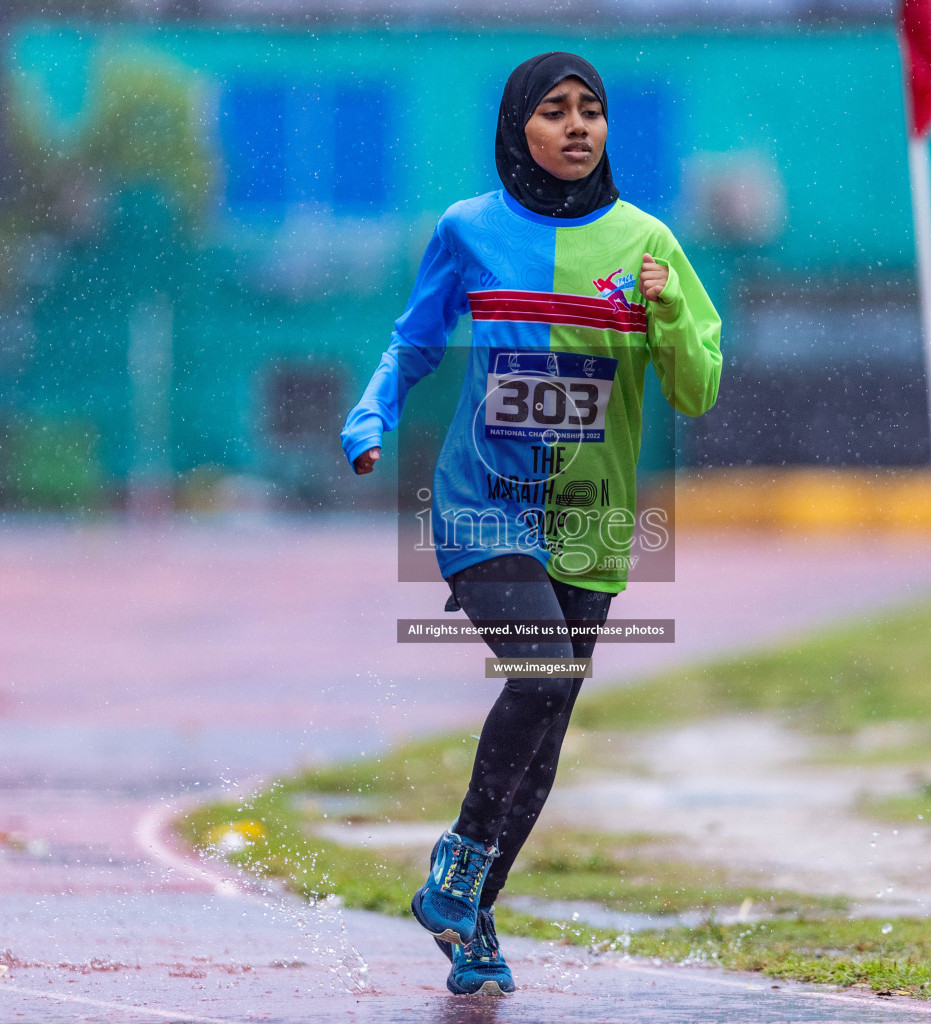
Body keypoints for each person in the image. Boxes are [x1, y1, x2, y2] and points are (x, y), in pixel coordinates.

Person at [341, 51, 721, 996]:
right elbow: (415, 338)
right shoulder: (467, 228)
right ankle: (462, 859)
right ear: (520, 128)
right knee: (543, 668)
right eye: (554, 111)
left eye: (591, 110)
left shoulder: (649, 244)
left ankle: (470, 915)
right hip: (481, 503)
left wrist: (670, 318)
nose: (578, 126)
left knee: (548, 720)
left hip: (589, 519)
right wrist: (371, 410)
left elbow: (699, 388)